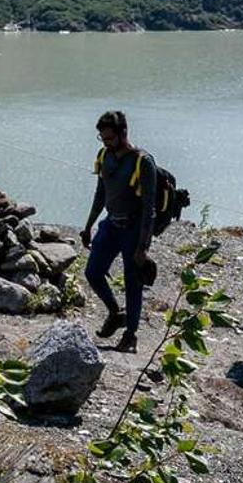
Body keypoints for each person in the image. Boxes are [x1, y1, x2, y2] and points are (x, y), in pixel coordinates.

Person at [80, 111, 158, 353]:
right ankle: (115, 312)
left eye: (110, 139)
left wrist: (143, 247)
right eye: (102, 139)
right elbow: (101, 193)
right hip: (111, 224)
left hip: (133, 229)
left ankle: (131, 334)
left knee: (132, 282)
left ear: (124, 133)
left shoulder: (142, 162)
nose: (106, 144)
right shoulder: (105, 156)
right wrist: (88, 225)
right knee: (93, 272)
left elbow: (149, 207)